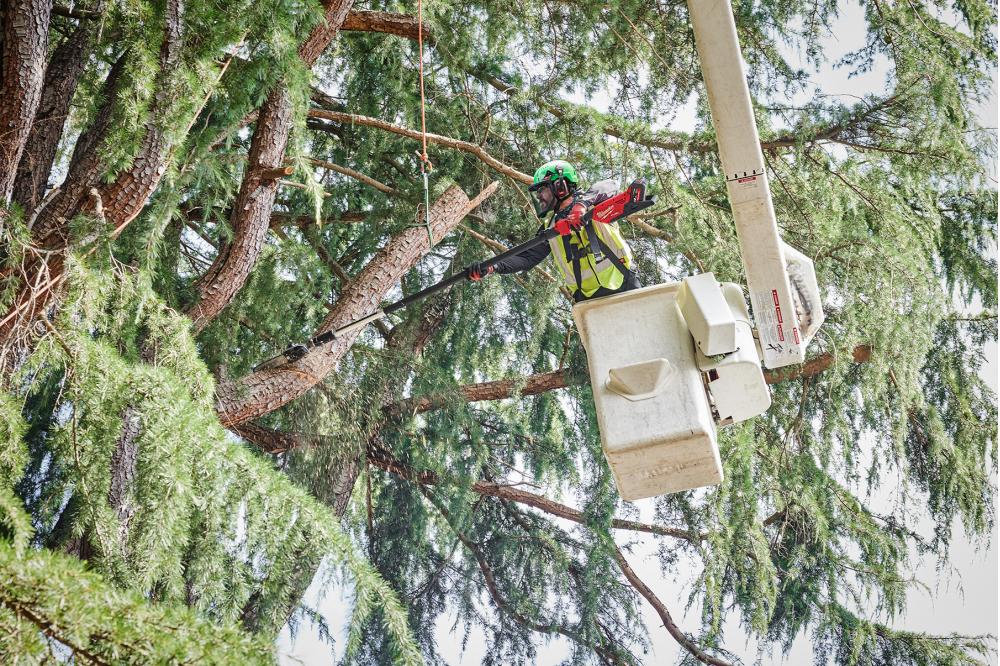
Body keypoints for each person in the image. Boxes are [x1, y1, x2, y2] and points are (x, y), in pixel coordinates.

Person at [466, 160, 641, 302]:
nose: (539, 196)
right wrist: (493, 266)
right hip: (587, 298)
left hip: (623, 282)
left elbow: (609, 185)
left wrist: (581, 207)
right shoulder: (551, 228)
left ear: (560, 185)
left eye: (542, 189)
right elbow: (526, 258)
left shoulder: (596, 202)